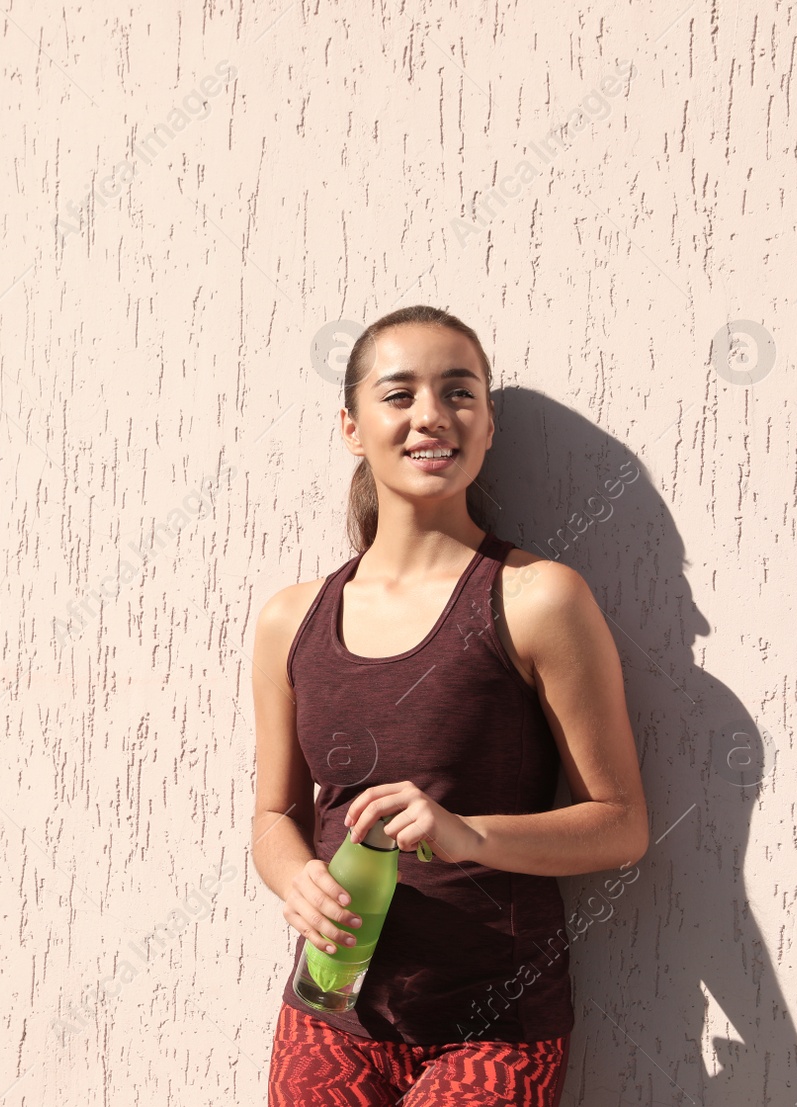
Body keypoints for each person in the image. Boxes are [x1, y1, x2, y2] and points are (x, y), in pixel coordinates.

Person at [250, 305, 649, 1106]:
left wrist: (465, 833)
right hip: (329, 1014)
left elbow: (621, 823)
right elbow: (273, 815)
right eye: (399, 395)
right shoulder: (291, 618)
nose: (432, 414)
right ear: (352, 427)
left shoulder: (538, 599)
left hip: (494, 1026)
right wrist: (295, 877)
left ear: (489, 423)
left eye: (459, 392)